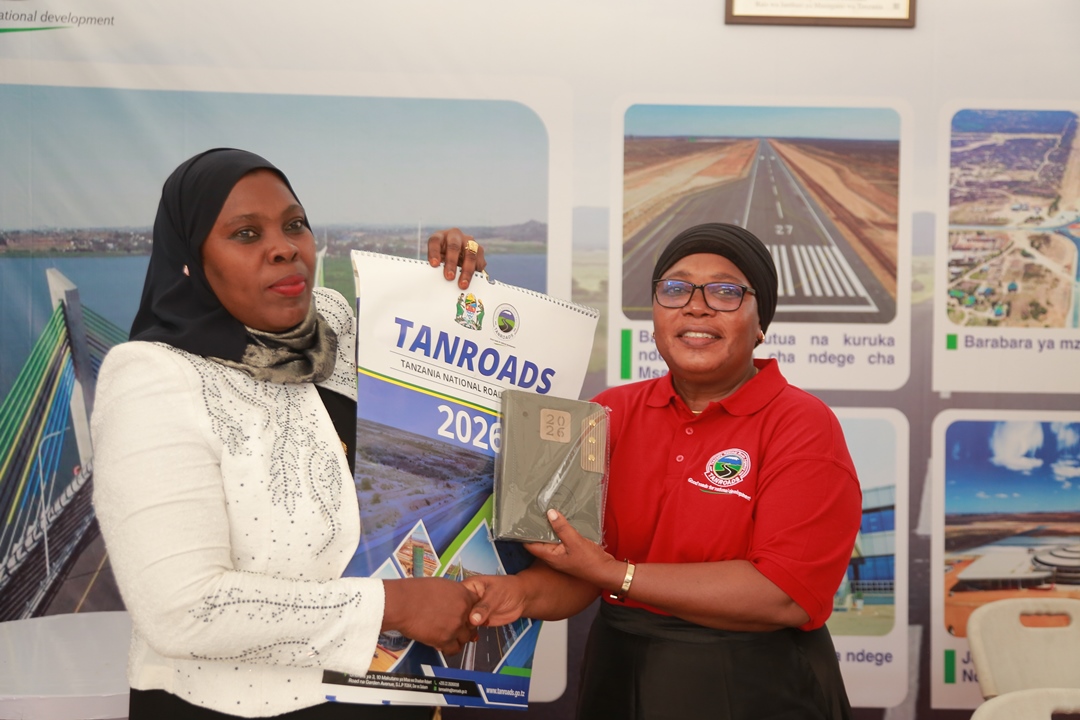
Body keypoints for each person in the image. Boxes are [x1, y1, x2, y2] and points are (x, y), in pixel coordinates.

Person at [90, 148, 487, 719]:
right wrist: (392, 606)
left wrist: (459, 293)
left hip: (388, 691)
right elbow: (182, 611)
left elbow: (444, 400)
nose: (284, 247)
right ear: (191, 260)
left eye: (294, 225)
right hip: (234, 709)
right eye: (246, 233)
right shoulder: (153, 378)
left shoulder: (333, 328)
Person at [466, 223, 863, 719]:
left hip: (756, 685)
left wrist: (617, 574)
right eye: (675, 289)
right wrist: (518, 594)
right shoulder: (608, 414)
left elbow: (784, 595)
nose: (696, 306)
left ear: (761, 322)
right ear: (655, 315)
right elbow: (583, 570)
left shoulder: (801, 423)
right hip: (619, 675)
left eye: (725, 292)